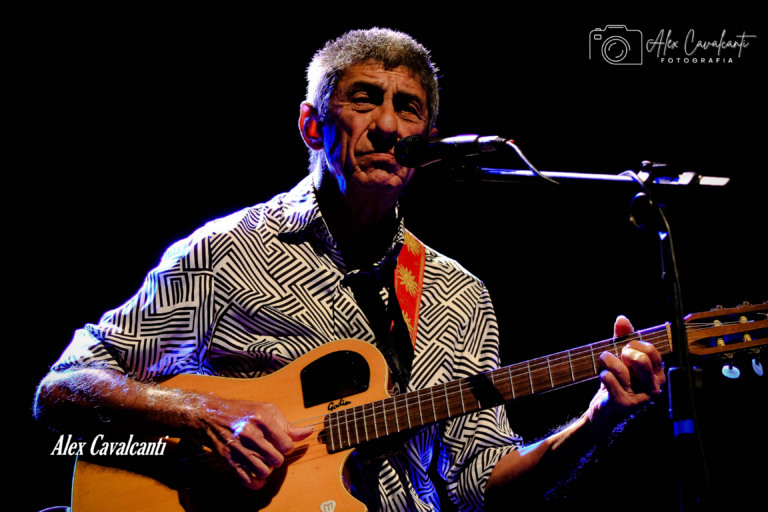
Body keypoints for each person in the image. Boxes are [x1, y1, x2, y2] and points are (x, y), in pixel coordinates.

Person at [34, 28, 666, 511]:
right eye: (365, 100)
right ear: (312, 124)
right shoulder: (227, 252)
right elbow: (62, 388)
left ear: (428, 140)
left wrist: (597, 421)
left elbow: (479, 489)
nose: (388, 126)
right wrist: (205, 415)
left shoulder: (458, 295)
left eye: (409, 109)